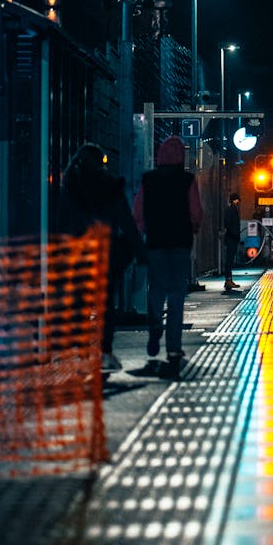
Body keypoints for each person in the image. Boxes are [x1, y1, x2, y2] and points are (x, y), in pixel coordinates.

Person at [57, 142, 147, 373]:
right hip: (105, 254)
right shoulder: (111, 187)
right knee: (105, 305)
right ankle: (105, 352)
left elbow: (60, 222)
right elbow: (126, 221)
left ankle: (80, 352)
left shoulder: (69, 186)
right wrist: (139, 252)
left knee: (79, 304)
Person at [133, 136, 202, 379]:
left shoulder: (148, 180)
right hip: (181, 244)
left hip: (156, 244)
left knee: (156, 289)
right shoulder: (187, 180)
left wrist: (143, 233)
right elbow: (196, 212)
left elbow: (138, 212)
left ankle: (154, 326)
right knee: (176, 296)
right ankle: (173, 348)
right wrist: (193, 227)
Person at [222, 192, 242, 293]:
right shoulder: (230, 210)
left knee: (230, 259)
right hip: (231, 238)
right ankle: (228, 280)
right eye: (237, 200)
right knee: (229, 259)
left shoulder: (231, 209)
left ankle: (229, 280)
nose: (238, 202)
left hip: (232, 237)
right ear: (234, 200)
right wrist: (234, 234)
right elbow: (228, 224)